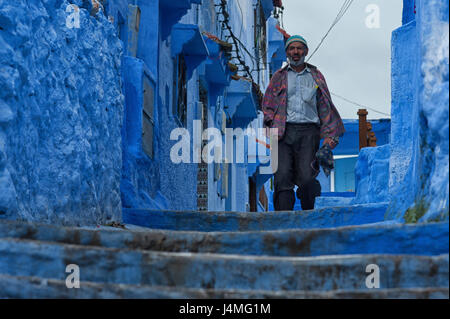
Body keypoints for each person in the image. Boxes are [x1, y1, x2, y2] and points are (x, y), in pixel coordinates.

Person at [262, 35, 345, 211]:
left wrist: (330, 136)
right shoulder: (279, 77)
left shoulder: (316, 76)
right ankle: (283, 221)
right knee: (282, 176)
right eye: (292, 49)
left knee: (307, 178)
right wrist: (270, 126)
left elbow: (325, 105)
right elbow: (268, 103)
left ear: (306, 51)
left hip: (309, 133)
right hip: (283, 133)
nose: (296, 52)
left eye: (299, 48)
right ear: (287, 53)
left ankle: (308, 216)